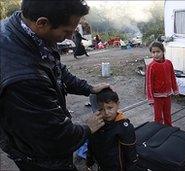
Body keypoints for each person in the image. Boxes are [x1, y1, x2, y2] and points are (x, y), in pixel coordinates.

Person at [0, 0, 109, 170]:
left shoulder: (25, 29)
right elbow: (54, 135)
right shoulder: (25, 76)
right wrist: (87, 128)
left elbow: (55, 68)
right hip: (36, 151)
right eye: (67, 31)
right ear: (42, 23)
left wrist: (87, 88)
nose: (70, 37)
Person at [86, 88, 139, 171]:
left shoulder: (125, 128)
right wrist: (89, 161)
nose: (106, 113)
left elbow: (131, 155)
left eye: (110, 108)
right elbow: (91, 144)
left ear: (117, 104)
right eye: (101, 109)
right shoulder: (96, 124)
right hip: (102, 165)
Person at [146, 41, 179, 126]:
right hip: (157, 97)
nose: (156, 54)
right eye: (153, 52)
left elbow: (172, 77)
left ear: (163, 51)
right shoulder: (151, 66)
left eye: (158, 51)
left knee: (167, 114)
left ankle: (169, 129)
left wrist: (175, 89)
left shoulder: (168, 63)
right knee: (158, 117)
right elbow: (149, 83)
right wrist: (150, 98)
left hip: (167, 95)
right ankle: (158, 131)